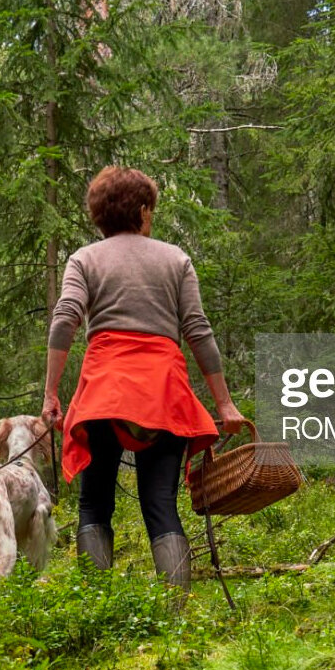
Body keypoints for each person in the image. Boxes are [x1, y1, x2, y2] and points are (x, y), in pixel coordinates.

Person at [41, 166, 244, 591]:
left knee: (95, 503)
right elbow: (198, 330)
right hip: (162, 392)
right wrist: (224, 403)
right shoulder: (175, 259)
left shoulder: (84, 259)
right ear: (142, 209)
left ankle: (96, 608)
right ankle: (176, 615)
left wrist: (51, 394)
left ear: (99, 213)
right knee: (161, 504)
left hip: (105, 392)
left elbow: (65, 321)